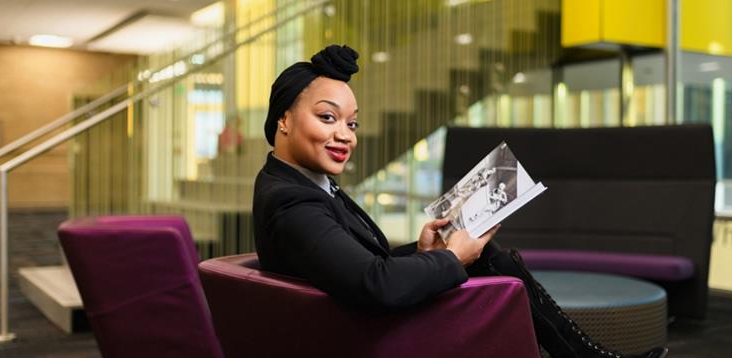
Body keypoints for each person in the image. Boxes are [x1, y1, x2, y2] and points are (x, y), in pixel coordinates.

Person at [253, 44, 668, 358]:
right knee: (488, 263)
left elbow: (351, 262)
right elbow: (374, 284)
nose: (345, 134)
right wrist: (450, 259)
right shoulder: (293, 201)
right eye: (328, 117)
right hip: (364, 336)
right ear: (283, 120)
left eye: (352, 122)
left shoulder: (304, 185)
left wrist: (424, 250)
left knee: (492, 258)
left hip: (355, 318)